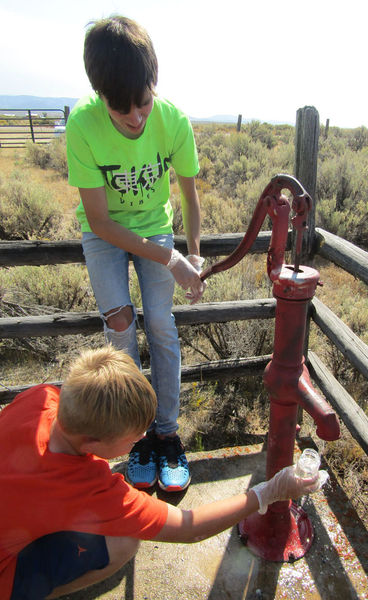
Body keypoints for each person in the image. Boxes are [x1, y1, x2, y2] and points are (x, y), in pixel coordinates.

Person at [0, 346, 319, 599]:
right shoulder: (87, 489)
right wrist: (268, 492)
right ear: (92, 441)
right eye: (132, 437)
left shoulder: (39, 399)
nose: (141, 439)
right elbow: (188, 528)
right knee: (125, 542)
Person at [65, 15, 206, 493]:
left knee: (161, 325)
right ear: (99, 95)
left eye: (143, 103)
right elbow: (101, 222)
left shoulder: (173, 121)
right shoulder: (82, 124)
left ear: (154, 84)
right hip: (104, 234)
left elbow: (188, 196)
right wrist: (172, 261)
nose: (136, 117)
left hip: (154, 226)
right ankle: (133, 437)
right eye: (121, 109)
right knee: (121, 327)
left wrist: (195, 255)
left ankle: (167, 434)